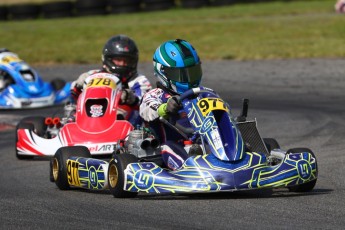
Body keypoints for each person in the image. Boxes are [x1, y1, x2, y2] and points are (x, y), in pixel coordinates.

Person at [139, 39, 206, 171]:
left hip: (203, 142)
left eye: (192, 73)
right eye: (182, 74)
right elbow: (146, 109)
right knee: (169, 146)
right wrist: (165, 107)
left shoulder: (202, 94)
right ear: (164, 73)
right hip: (172, 147)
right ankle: (191, 171)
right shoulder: (155, 95)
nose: (189, 79)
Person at [70, 34, 152, 125]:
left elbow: (146, 103)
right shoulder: (91, 75)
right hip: (88, 117)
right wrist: (77, 86)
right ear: (108, 59)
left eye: (126, 61)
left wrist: (130, 97)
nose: (122, 64)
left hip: (123, 123)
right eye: (118, 59)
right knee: (71, 113)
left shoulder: (139, 80)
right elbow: (73, 96)